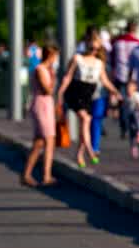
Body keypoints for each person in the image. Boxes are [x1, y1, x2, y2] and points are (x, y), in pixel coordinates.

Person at [58, 33, 121, 168]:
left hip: (88, 94)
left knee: (84, 125)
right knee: (86, 120)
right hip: (76, 92)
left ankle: (80, 154)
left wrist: (115, 91)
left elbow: (104, 80)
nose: (94, 51)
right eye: (91, 48)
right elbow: (68, 77)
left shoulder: (99, 63)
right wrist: (60, 93)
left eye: (97, 49)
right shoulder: (77, 58)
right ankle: (91, 152)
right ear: (86, 46)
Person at [22, 44, 59, 187]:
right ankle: (47, 176)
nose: (56, 59)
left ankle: (26, 174)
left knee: (38, 143)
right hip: (41, 104)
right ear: (50, 56)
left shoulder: (46, 69)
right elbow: (47, 90)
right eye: (55, 56)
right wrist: (53, 79)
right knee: (49, 139)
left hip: (47, 104)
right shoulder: (40, 69)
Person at [110, 20, 139, 139]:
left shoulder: (117, 42)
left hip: (119, 74)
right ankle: (133, 125)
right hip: (132, 76)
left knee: (121, 102)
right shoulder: (138, 43)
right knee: (133, 102)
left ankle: (123, 126)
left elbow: (112, 60)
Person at [123, 79, 139, 159]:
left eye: (130, 88)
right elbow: (125, 108)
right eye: (127, 88)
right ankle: (134, 149)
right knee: (131, 134)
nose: (128, 90)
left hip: (136, 116)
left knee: (136, 119)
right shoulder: (126, 97)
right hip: (129, 117)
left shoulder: (136, 96)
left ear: (135, 88)